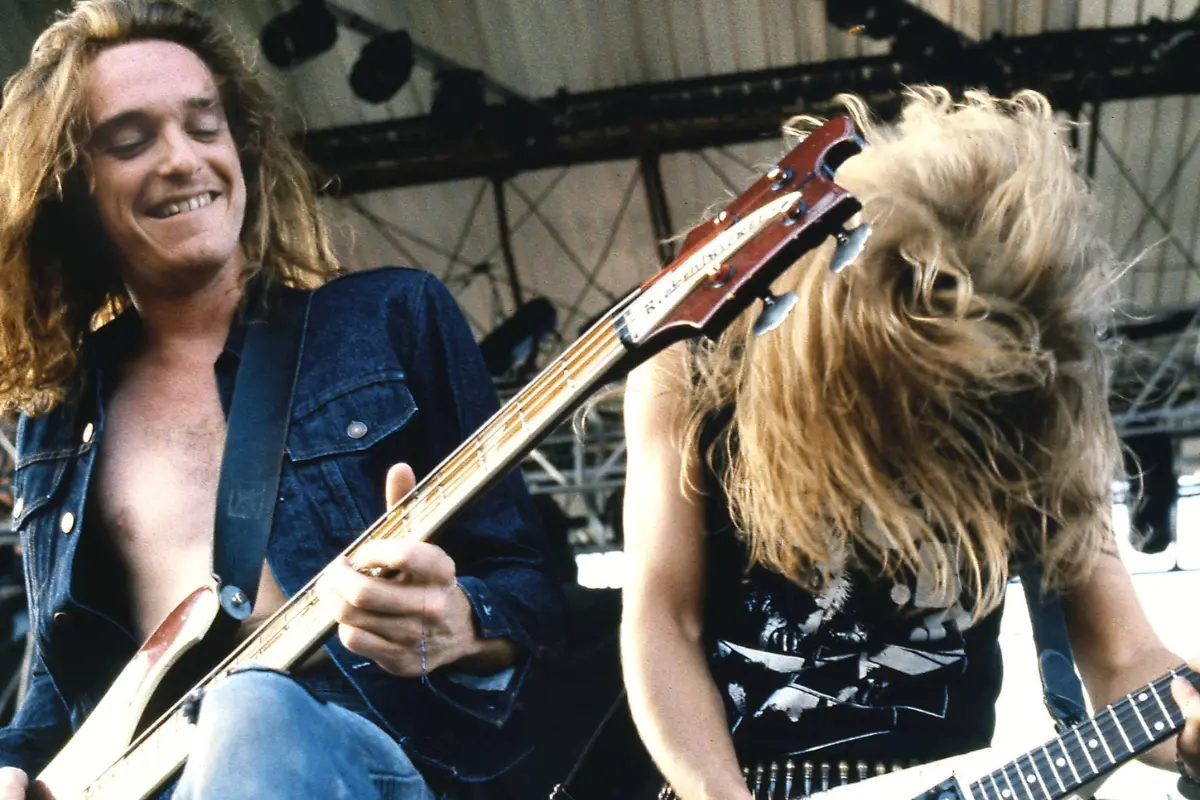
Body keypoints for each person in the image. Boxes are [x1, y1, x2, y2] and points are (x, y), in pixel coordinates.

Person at [0, 1, 563, 798]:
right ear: (72, 185)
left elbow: (534, 586)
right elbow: (63, 688)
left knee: (252, 707)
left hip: (364, 757)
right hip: (150, 780)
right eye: (130, 141)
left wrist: (463, 623)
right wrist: (11, 763)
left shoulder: (390, 319)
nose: (181, 159)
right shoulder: (58, 412)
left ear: (245, 149)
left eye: (205, 126)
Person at [620, 87, 1200, 800]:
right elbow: (661, 616)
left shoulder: (1035, 394)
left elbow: (1125, 656)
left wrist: (1192, 725)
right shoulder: (693, 360)